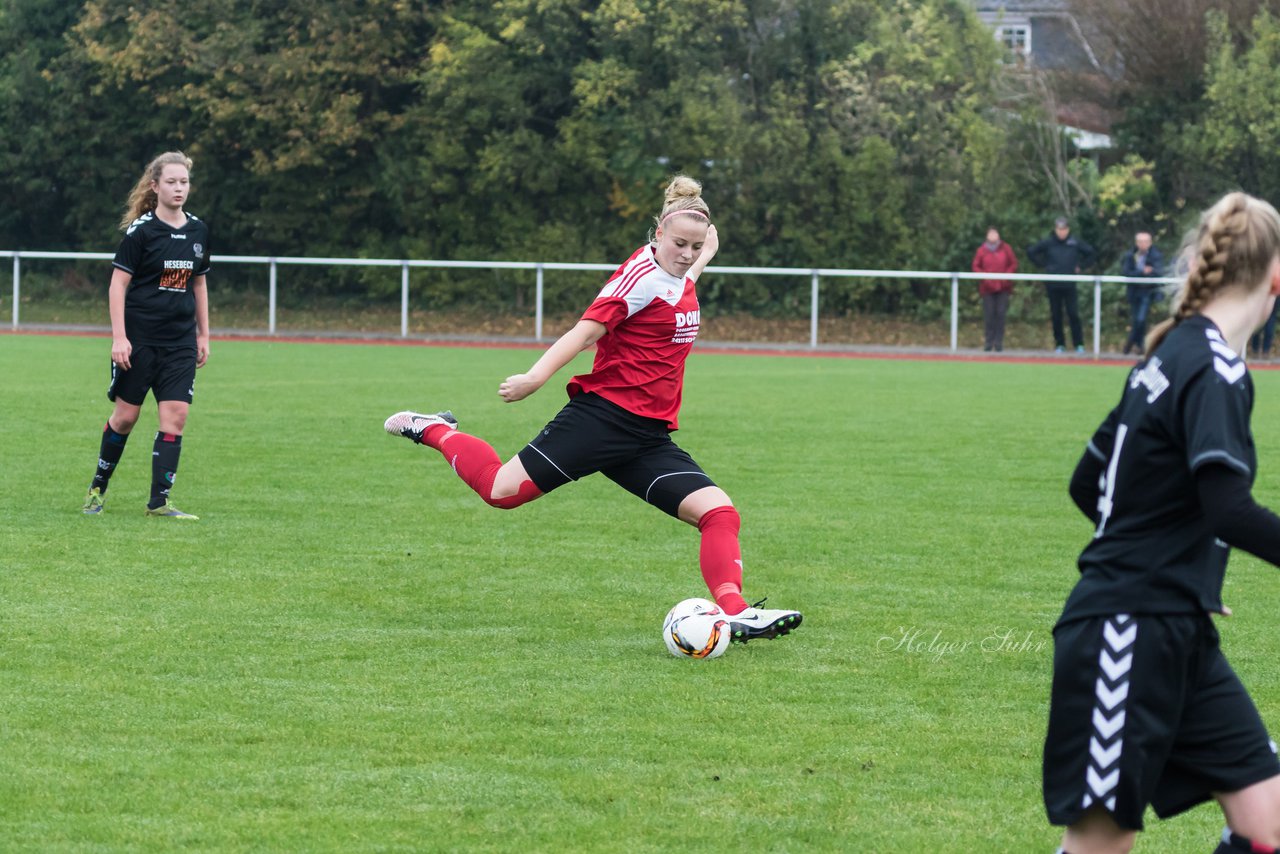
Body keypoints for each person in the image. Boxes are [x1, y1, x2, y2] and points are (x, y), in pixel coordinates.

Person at [384, 176, 802, 643]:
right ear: (658, 234)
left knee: (719, 513)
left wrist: (704, 254)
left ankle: (737, 612)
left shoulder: (682, 270)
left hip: (646, 437)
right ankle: (436, 429)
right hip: (601, 420)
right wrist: (535, 378)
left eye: (696, 245)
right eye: (679, 243)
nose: (687, 253)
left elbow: (684, 275)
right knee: (501, 492)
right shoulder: (638, 280)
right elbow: (584, 333)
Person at [1042, 192, 1280, 853]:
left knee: (1268, 822)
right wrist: (1160, 568)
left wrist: (1178, 567)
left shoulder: (1168, 353)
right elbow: (1227, 507)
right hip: (1128, 628)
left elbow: (1089, 484)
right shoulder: (1213, 366)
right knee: (1099, 844)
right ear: (1275, 279)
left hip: (1176, 629)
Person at [81, 151, 211, 519]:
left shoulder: (198, 231)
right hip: (139, 341)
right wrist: (119, 338)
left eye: (183, 181)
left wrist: (204, 335)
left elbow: (199, 284)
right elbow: (117, 285)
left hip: (180, 343)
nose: (179, 188)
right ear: (155, 187)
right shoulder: (142, 232)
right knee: (126, 417)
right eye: (171, 182)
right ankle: (97, 488)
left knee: (176, 417)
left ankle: (159, 502)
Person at [1028, 217, 1096, 353]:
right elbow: (1031, 252)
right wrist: (1044, 265)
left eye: (1064, 229)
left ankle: (1079, 344)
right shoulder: (1048, 242)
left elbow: (1091, 253)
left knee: (1073, 314)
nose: (1062, 232)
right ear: (1055, 229)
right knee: (1056, 315)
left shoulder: (1074, 242)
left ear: (1068, 229)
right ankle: (1060, 344)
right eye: (1059, 229)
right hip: (1053, 285)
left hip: (1070, 285)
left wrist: (1081, 266)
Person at [971, 227, 1019, 352]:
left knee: (1001, 314)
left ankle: (998, 343)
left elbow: (1013, 264)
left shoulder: (1006, 248)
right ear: (987, 236)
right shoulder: (981, 250)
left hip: (1003, 287)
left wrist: (1005, 277)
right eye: (990, 234)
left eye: (995, 233)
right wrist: (986, 278)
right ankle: (988, 342)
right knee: (989, 315)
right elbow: (976, 266)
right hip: (987, 288)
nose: (993, 236)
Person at [1120, 231, 1165, 356]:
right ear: (1136, 243)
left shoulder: (1156, 255)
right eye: (1140, 242)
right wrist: (1142, 272)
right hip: (1134, 292)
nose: (1143, 244)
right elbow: (1126, 272)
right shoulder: (1130, 255)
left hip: (1147, 291)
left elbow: (1159, 271)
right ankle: (1140, 346)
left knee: (1141, 319)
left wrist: (1148, 272)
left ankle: (1130, 344)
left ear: (1150, 243)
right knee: (1136, 320)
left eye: (1146, 241)